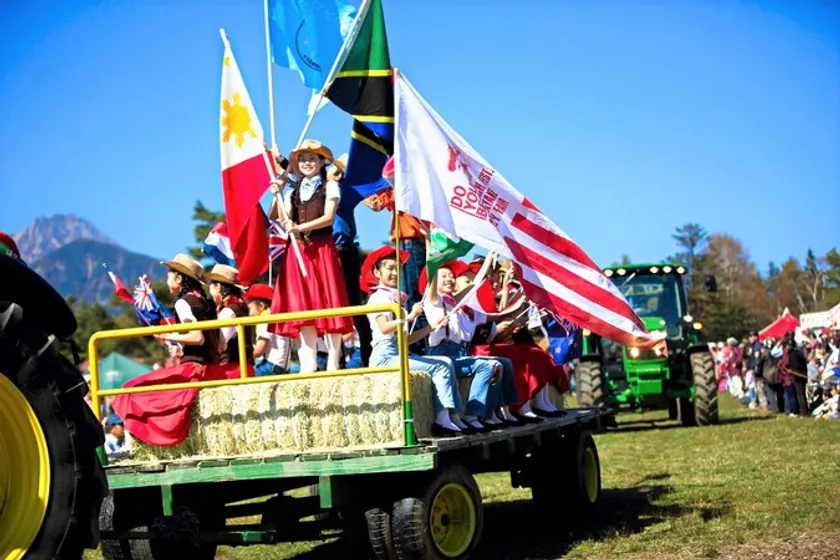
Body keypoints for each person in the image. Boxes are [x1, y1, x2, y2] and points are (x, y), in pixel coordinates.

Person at [112, 253, 225, 446]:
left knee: (130, 389)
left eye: (168, 276)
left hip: (195, 371)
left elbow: (197, 337)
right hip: (215, 369)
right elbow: (221, 344)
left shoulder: (183, 303)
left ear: (179, 278)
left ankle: (149, 439)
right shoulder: (207, 303)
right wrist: (182, 346)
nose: (166, 280)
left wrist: (167, 335)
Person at [360, 245, 467, 437]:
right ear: (377, 272)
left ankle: (454, 415)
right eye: (390, 268)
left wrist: (431, 327)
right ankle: (442, 419)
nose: (395, 273)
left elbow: (406, 340)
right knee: (441, 366)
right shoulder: (377, 298)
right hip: (384, 357)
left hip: (399, 352)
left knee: (446, 362)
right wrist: (408, 317)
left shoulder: (396, 300)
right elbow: (384, 328)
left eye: (398, 269)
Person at [268, 139, 355, 373]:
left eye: (312, 158)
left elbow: (328, 218)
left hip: (321, 248)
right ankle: (309, 362)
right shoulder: (293, 191)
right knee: (302, 304)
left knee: (329, 300)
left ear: (322, 161)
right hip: (298, 251)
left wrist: (300, 228)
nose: (307, 163)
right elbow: (277, 217)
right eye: (303, 159)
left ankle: (334, 360)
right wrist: (278, 190)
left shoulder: (330, 186)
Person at [421, 259, 503, 431]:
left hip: (459, 354)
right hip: (441, 353)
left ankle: (472, 414)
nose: (449, 279)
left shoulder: (454, 302)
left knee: (491, 366)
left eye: (451, 276)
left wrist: (489, 259)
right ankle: (457, 416)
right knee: (468, 366)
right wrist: (432, 255)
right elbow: (432, 273)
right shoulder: (433, 299)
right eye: (444, 276)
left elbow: (474, 285)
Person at [328, 153, 373, 367]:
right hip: (328, 253)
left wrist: (337, 169)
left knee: (353, 305)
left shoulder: (345, 191)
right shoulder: (322, 191)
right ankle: (336, 359)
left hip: (344, 251)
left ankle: (367, 356)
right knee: (330, 306)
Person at [206, 264, 255, 378]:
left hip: (232, 369)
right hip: (245, 368)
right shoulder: (240, 308)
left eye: (210, 285)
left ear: (218, 287)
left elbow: (221, 346)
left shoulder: (228, 311)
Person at [244, 283, 290, 376]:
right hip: (281, 366)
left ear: (261, 306)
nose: (248, 314)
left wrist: (241, 356)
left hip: (271, 366)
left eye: (249, 309)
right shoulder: (273, 315)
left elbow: (258, 351)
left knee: (245, 374)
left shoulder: (265, 320)